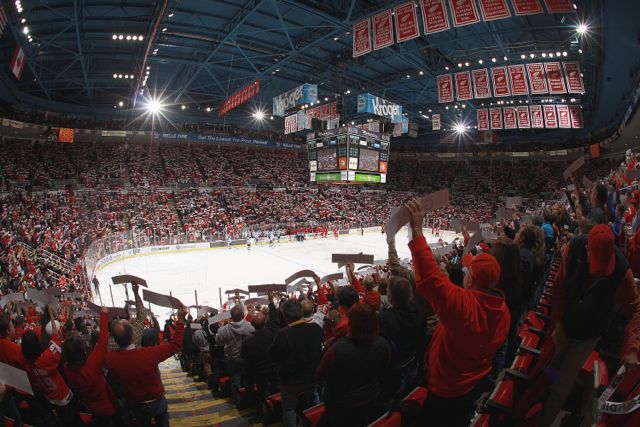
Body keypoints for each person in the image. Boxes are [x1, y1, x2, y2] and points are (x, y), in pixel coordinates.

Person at [405, 198, 510, 427]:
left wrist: (417, 230)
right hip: (472, 382)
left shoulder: (465, 307)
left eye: (469, 269)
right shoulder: (502, 310)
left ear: (472, 278)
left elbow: (432, 280)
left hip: (447, 385)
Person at [541, 225, 640, 426]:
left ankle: (543, 421)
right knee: (548, 371)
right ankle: (536, 409)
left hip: (588, 335)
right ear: (587, 250)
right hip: (564, 324)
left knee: (561, 385)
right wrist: (558, 321)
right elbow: (558, 287)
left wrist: (633, 348)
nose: (598, 276)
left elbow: (637, 311)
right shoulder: (573, 249)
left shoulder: (622, 272)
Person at [104, 304, 187, 427]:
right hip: (157, 401)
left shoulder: (110, 360)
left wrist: (103, 317)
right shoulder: (149, 353)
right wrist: (180, 320)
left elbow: (100, 347)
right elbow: (175, 345)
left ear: (115, 340)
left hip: (136, 404)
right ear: (133, 337)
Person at [317, 303, 391, 426]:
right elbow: (385, 368)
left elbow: (320, 374)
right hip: (371, 396)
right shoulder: (382, 343)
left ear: (351, 324)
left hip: (341, 403)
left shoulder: (338, 349)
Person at [21, 305, 79, 426]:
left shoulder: (27, 366)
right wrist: (51, 317)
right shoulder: (46, 358)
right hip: (64, 396)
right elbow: (55, 336)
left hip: (50, 398)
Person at [270, 299, 323, 427]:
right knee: (314, 402)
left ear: (285, 315)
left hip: (290, 380)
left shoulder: (282, 334)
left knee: (289, 408)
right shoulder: (316, 328)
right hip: (311, 376)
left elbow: (274, 356)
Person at [63, 306, 118, 425]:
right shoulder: (91, 365)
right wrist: (103, 314)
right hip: (108, 406)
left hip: (92, 405)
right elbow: (103, 341)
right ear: (82, 350)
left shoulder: (67, 369)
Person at [377, 276, 427, 402]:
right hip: (413, 362)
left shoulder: (384, 318)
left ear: (390, 297)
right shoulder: (420, 312)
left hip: (393, 371)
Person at [241, 312, 278, 413]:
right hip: (274, 369)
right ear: (265, 322)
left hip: (259, 372)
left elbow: (244, 356)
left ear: (252, 324)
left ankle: (265, 410)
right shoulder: (273, 334)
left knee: (262, 391)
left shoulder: (248, 341)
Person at [215, 305, 255, 393]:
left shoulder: (224, 329)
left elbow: (218, 343)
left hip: (232, 357)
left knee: (235, 378)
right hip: (246, 357)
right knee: (248, 378)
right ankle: (248, 396)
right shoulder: (250, 326)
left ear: (231, 317)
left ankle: (237, 399)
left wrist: (220, 328)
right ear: (242, 315)